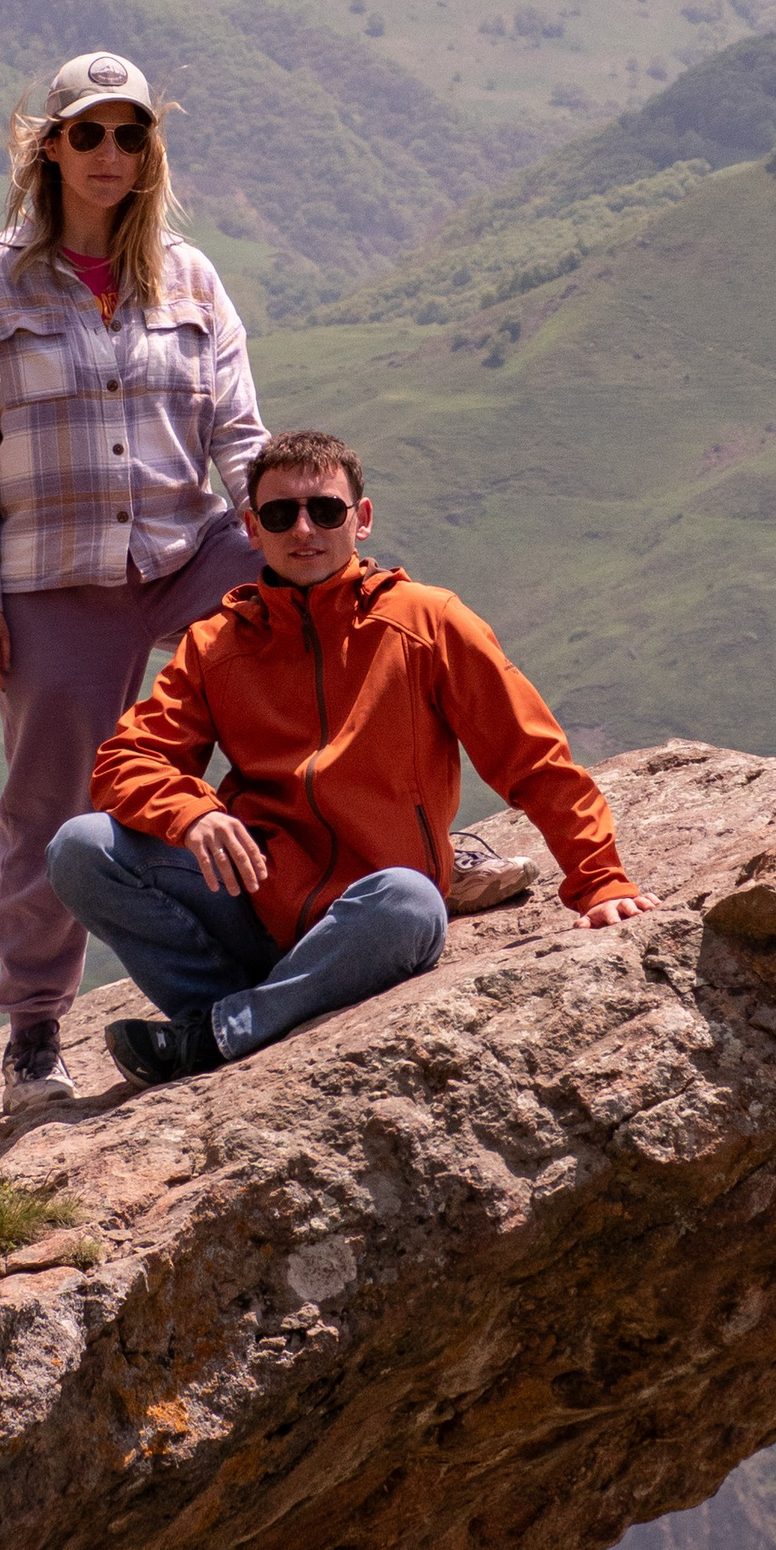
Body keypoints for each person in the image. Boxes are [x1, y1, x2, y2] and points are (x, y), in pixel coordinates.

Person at [45, 429, 661, 1085]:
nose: (303, 529)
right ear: (252, 528)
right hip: (254, 906)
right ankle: (238, 1017)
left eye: (325, 509)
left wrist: (600, 880)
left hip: (372, 918)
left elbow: (531, 755)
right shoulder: (215, 645)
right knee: (80, 847)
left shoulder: (427, 623)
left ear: (360, 519)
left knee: (412, 901)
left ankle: (218, 1032)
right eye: (279, 514)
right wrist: (191, 812)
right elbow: (127, 760)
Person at [0, 51, 265, 1119]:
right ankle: (35, 1029)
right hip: (55, 575)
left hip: (182, 549)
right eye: (88, 133)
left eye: (130, 133)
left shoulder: (191, 277)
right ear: (50, 147)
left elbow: (237, 430)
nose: (109, 153)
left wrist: (294, 525)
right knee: (50, 799)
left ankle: (399, 848)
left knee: (329, 622)